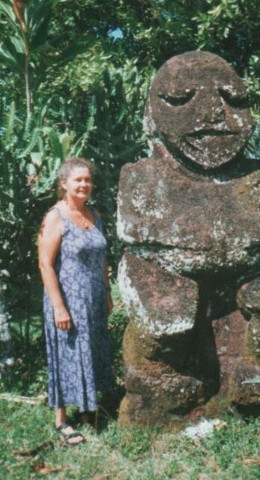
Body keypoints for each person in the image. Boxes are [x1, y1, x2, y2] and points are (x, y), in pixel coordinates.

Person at [38, 157, 113, 445]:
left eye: (87, 180)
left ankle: (86, 411)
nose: (84, 184)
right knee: (66, 354)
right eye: (78, 180)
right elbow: (45, 264)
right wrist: (58, 306)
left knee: (90, 351)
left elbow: (103, 257)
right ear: (64, 184)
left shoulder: (94, 214)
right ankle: (61, 420)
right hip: (67, 300)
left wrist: (106, 293)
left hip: (93, 300)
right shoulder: (55, 217)